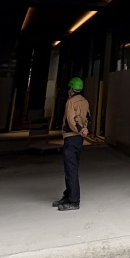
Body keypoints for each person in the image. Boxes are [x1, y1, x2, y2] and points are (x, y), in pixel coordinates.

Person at [52, 77, 90, 211]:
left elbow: (70, 121)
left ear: (72, 89)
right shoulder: (85, 101)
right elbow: (88, 118)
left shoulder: (70, 102)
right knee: (73, 167)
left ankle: (74, 201)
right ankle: (68, 195)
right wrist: (84, 129)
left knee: (70, 169)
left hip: (71, 137)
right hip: (79, 139)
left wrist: (79, 130)